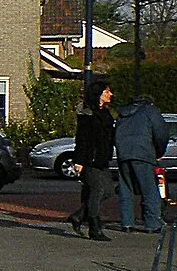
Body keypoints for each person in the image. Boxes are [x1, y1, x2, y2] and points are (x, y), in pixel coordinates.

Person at [68, 77, 117, 242]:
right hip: (91, 159)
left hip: (102, 158)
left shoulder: (105, 112)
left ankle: (79, 215)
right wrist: (79, 161)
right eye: (107, 91)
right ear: (99, 94)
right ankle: (94, 228)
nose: (110, 94)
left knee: (109, 190)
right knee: (97, 191)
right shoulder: (88, 115)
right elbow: (82, 139)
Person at [115, 95, 171, 234]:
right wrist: (158, 152)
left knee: (126, 188)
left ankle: (127, 223)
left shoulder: (123, 113)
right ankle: (152, 223)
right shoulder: (150, 111)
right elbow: (161, 133)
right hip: (143, 152)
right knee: (149, 189)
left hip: (124, 153)